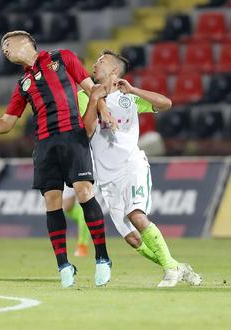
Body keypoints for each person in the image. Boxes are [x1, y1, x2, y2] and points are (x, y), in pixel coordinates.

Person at [0, 30, 116, 288]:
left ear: (27, 42)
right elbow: (7, 123)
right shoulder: (22, 83)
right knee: (52, 202)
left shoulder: (62, 57)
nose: (4, 50)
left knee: (84, 191)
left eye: (7, 44)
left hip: (73, 136)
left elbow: (93, 89)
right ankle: (63, 266)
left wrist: (104, 114)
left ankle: (102, 259)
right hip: (46, 144)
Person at [82, 49, 202, 287]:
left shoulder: (129, 97)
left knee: (136, 215)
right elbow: (86, 132)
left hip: (131, 166)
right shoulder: (84, 95)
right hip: (106, 177)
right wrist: (95, 100)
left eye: (101, 61)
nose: (95, 64)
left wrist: (134, 90)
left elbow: (166, 104)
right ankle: (177, 266)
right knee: (133, 239)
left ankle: (169, 270)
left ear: (115, 70)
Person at [63, 186, 90, 257]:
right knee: (67, 207)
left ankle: (82, 246)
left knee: (84, 212)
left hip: (86, 178)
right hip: (68, 178)